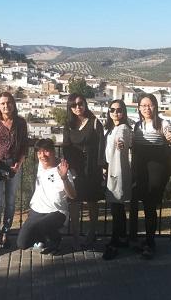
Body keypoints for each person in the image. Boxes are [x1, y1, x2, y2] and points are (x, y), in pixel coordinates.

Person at [132, 93, 171, 259]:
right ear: (139, 108)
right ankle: (143, 240)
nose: (146, 108)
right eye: (143, 105)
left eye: (149, 105)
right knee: (141, 204)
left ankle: (150, 242)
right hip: (140, 170)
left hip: (156, 171)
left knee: (150, 206)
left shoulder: (163, 123)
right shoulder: (137, 125)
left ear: (155, 106)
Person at [0, 92, 28, 255]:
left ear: (13, 104)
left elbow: (24, 144)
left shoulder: (20, 122)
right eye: (2, 103)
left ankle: (5, 234)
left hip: (14, 166)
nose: (6, 106)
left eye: (8, 102)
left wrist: (20, 162)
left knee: (10, 202)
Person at [16, 139, 76, 255]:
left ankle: (55, 239)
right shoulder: (41, 164)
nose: (42, 155)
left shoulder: (62, 169)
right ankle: (42, 238)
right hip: (37, 211)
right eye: (39, 152)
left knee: (41, 226)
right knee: (22, 244)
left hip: (57, 212)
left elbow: (72, 195)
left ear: (53, 151)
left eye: (46, 151)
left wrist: (64, 178)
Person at [62, 93, 105, 249]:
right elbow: (66, 147)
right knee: (74, 202)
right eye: (73, 105)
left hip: (92, 168)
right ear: (70, 107)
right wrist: (70, 168)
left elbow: (102, 146)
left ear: (85, 104)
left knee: (92, 201)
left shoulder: (94, 123)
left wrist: (102, 168)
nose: (78, 107)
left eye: (80, 103)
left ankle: (91, 233)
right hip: (75, 169)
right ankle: (75, 236)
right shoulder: (68, 125)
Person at [102, 99, 132, 260]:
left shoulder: (123, 128)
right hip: (112, 171)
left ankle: (115, 241)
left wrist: (121, 144)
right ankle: (121, 238)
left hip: (118, 173)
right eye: (112, 109)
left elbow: (123, 139)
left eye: (119, 110)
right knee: (117, 209)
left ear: (124, 112)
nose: (115, 112)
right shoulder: (112, 128)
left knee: (117, 208)